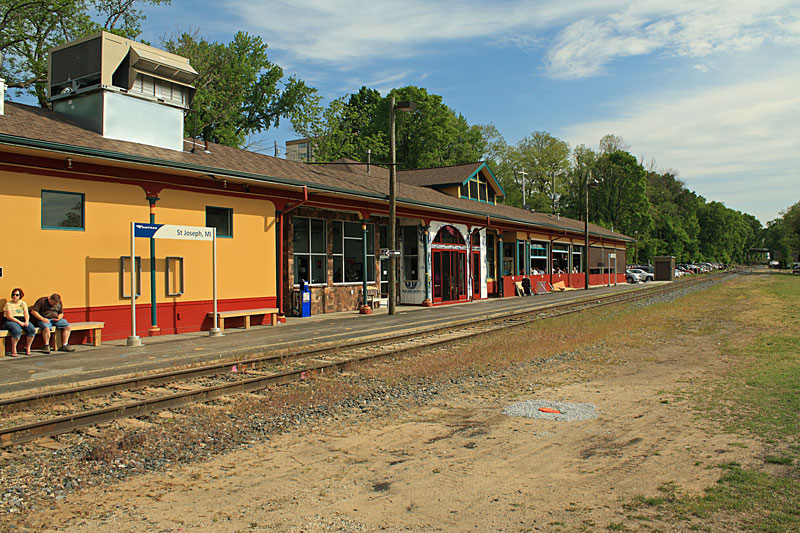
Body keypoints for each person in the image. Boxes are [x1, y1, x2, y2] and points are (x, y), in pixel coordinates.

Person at [3, 288, 36, 357]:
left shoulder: (23, 303)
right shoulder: (8, 304)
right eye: (13, 295)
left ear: (20, 296)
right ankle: (14, 348)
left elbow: (26, 314)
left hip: (22, 319)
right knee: (16, 330)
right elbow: (9, 316)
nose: (15, 296)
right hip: (12, 320)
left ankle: (27, 347)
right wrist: (20, 322)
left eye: (17, 295)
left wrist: (26, 321)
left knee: (32, 330)